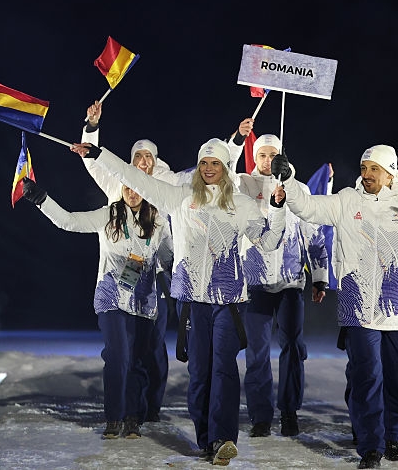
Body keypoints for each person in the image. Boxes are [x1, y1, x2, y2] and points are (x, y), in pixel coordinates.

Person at [75, 137, 287, 466]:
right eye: (204, 163)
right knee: (201, 372)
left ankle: (223, 437)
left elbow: (270, 241)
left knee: (225, 369)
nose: (209, 169)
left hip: (229, 301)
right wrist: (99, 153)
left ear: (225, 168)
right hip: (192, 302)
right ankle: (206, 437)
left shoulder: (242, 204)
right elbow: (135, 179)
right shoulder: (179, 197)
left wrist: (277, 208)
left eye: (215, 163)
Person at [271, 145, 398, 469]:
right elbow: (310, 207)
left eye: (374, 169)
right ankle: (370, 444)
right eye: (364, 167)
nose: (367, 174)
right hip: (359, 306)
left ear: (390, 172)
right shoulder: (348, 200)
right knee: (366, 376)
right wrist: (288, 181)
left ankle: (392, 433)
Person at [17, 175, 173, 440]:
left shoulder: (158, 221)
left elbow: (169, 258)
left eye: (136, 188)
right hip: (111, 296)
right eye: (127, 187)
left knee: (136, 360)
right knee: (117, 356)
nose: (132, 193)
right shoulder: (109, 215)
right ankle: (114, 417)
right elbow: (69, 221)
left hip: (143, 301)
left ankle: (133, 417)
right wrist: (42, 200)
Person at [79, 100, 182, 422]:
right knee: (125, 342)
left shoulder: (169, 182)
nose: (143, 161)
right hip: (127, 268)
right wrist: (91, 128)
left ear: (155, 161)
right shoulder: (117, 182)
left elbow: (208, 171)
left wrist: (237, 140)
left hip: (161, 266)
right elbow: (94, 162)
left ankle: (151, 405)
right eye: (137, 155)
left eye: (148, 156)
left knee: (153, 342)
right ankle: (128, 408)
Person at [226, 119, 330, 438]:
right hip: (254, 284)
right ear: (254, 158)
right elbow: (224, 173)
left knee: (293, 348)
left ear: (281, 157)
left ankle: (288, 412)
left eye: (273, 156)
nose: (267, 161)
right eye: (262, 156)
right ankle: (260, 415)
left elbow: (313, 234)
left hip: (290, 284)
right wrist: (235, 140)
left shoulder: (298, 190)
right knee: (257, 352)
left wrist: (320, 277)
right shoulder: (243, 185)